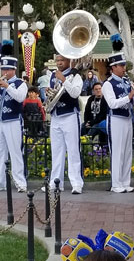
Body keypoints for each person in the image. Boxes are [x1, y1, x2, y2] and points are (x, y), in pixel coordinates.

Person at [0, 41, 28, 193]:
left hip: (13, 121)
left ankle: (20, 182)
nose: (4, 71)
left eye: (7, 69)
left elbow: (20, 98)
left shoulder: (19, 83)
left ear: (14, 70)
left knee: (15, 152)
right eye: (3, 68)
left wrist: (7, 86)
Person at [102, 34, 134, 193]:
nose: (124, 68)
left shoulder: (126, 81)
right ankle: (116, 183)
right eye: (121, 65)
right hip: (115, 119)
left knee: (127, 151)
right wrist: (128, 96)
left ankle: (125, 181)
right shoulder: (107, 84)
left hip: (127, 118)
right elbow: (112, 103)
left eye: (124, 65)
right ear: (113, 67)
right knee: (117, 151)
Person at [46, 54, 84, 194]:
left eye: (62, 60)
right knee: (56, 152)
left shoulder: (76, 76)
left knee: (73, 150)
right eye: (58, 61)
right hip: (56, 116)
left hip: (70, 115)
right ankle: (56, 183)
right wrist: (48, 93)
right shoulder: (52, 76)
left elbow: (75, 93)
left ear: (69, 61)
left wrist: (64, 80)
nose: (59, 63)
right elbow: (52, 94)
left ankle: (76, 183)